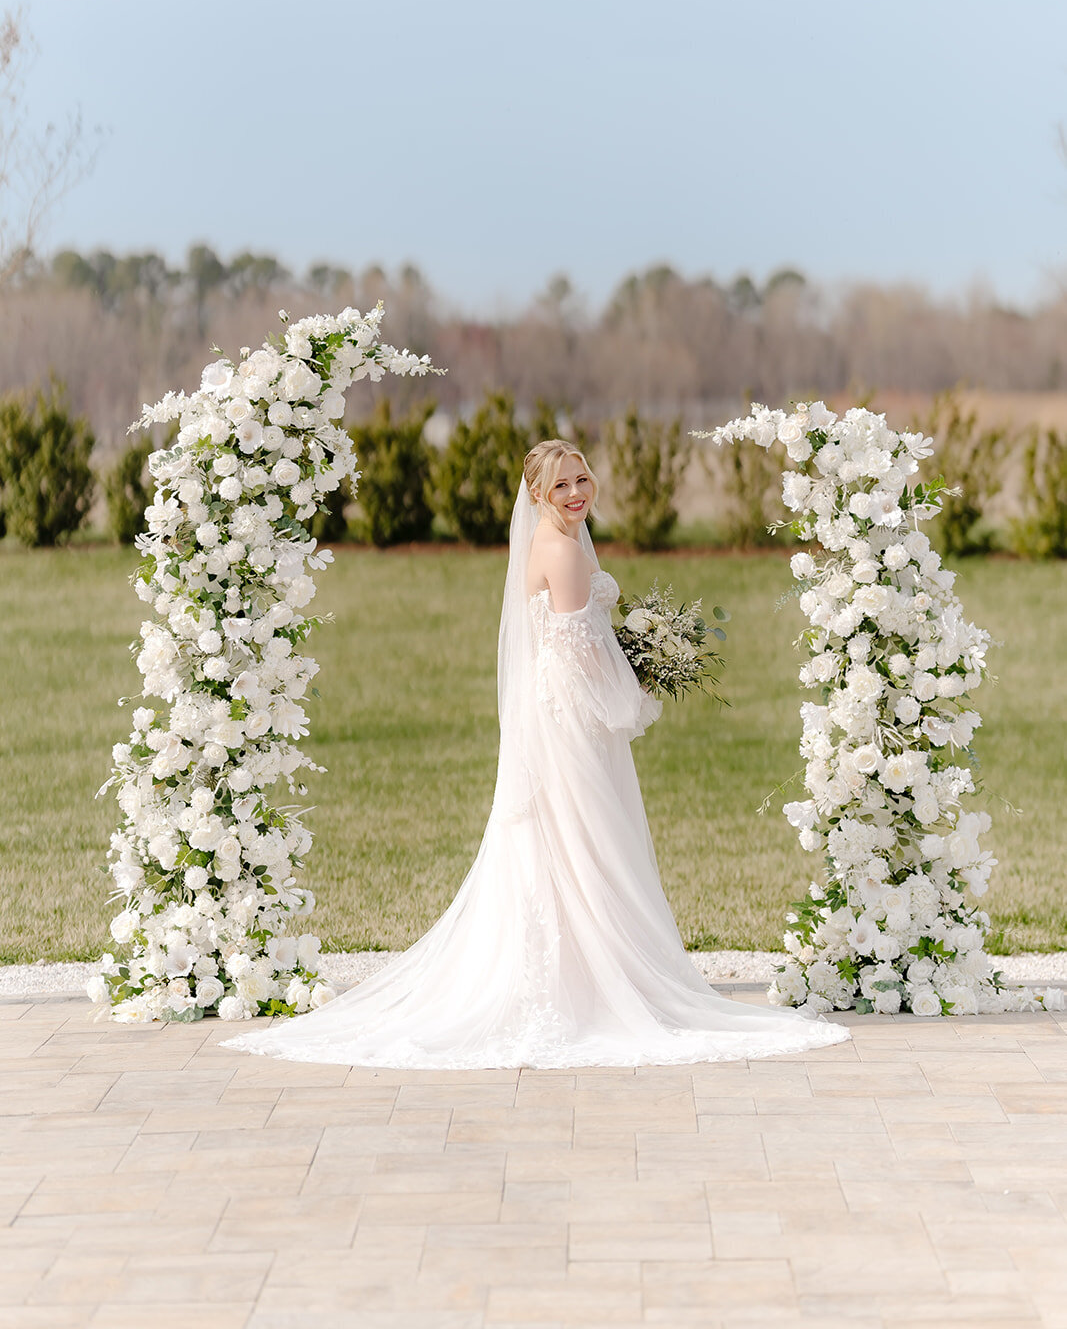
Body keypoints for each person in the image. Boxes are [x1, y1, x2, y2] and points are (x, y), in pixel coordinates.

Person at [220, 439, 847, 1067]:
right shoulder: (563, 552)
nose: (576, 494)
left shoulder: (550, 543)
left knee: (568, 841)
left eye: (582, 479)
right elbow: (580, 650)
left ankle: (578, 969)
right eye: (561, 487)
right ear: (539, 496)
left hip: (550, 712)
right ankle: (595, 978)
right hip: (570, 719)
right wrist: (635, 684)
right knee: (588, 839)